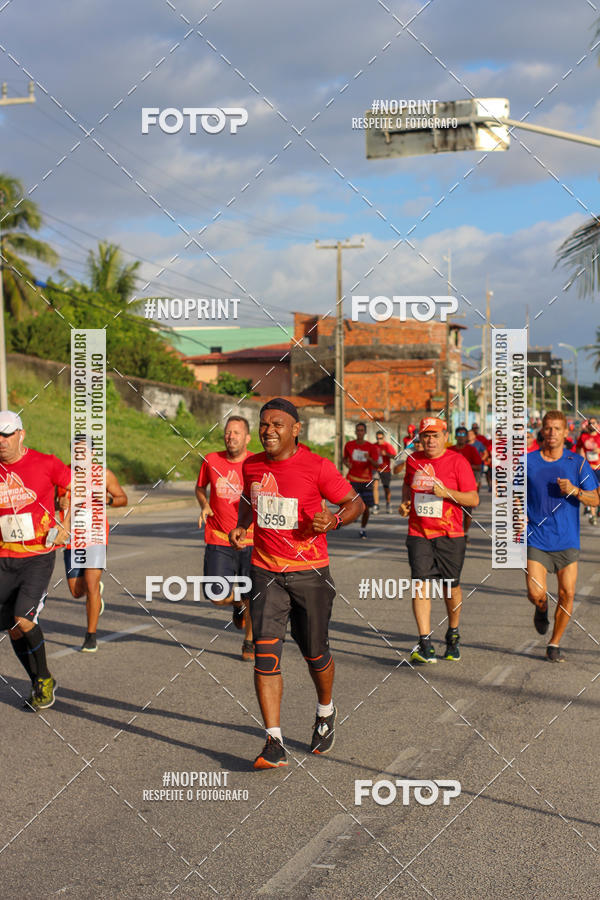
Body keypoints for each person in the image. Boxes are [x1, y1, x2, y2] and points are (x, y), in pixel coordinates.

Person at [229, 398, 364, 769]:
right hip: (265, 571)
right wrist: (244, 525)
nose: (268, 430)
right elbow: (248, 500)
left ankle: (325, 710)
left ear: (295, 429)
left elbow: (355, 504)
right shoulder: (253, 465)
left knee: (314, 652)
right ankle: (273, 740)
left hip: (310, 573)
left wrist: (334, 521)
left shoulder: (316, 466)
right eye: (264, 424)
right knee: (265, 654)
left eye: (277, 424)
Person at [0, 411, 71, 709]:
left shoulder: (46, 462)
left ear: (21, 434)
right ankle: (39, 679)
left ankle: (42, 676)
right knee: (11, 626)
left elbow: (73, 489)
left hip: (37, 556)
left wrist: (65, 524)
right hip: (4, 557)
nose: (1, 441)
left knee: (23, 617)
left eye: (7, 434)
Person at [399, 417, 479, 664]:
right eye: (425, 436)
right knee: (420, 584)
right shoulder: (413, 461)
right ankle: (425, 643)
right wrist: (404, 504)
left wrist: (448, 494)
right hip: (419, 533)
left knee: (450, 587)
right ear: (419, 438)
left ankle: (452, 634)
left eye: (435, 435)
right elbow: (406, 485)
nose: (430, 440)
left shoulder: (458, 461)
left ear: (446, 436)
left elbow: (473, 499)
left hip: (450, 535)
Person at [527, 410, 600, 662]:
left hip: (567, 540)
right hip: (536, 537)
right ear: (542, 430)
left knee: (567, 594)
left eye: (557, 429)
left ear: (566, 432)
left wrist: (576, 491)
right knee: (536, 593)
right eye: (548, 428)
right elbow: (511, 494)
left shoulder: (577, 463)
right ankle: (541, 607)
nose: (552, 433)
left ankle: (554, 643)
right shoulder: (528, 461)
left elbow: (596, 497)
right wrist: (517, 510)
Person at [57, 437, 128, 653]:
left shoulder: (103, 475)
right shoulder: (62, 475)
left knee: (91, 583)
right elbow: (47, 501)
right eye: (75, 452)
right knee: (76, 592)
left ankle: (90, 635)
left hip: (96, 536)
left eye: (83, 452)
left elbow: (122, 498)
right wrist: (57, 502)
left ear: (92, 453)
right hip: (72, 539)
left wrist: (107, 500)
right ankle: (95, 593)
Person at [196, 416, 255, 661]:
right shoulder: (211, 460)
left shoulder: (256, 463)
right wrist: (204, 504)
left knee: (253, 594)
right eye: (228, 432)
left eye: (236, 433)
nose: (231, 437)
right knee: (216, 594)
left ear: (247, 438)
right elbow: (200, 488)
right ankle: (236, 604)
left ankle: (249, 642)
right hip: (219, 537)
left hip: (251, 540)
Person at [343, 422, 381, 538]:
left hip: (366, 481)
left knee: (366, 508)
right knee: (352, 505)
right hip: (353, 479)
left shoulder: (371, 447)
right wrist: (347, 464)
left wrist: (369, 458)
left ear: (365, 432)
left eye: (361, 430)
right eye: (358, 430)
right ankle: (353, 516)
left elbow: (377, 464)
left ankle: (363, 528)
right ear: (355, 432)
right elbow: (345, 459)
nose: (359, 432)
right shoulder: (349, 445)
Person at [449, 426, 482, 540]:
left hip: (467, 485)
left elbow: (478, 466)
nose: (462, 437)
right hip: (452, 485)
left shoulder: (471, 450)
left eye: (464, 435)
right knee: (452, 510)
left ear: (467, 437)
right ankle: (454, 532)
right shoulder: (450, 450)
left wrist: (464, 465)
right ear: (455, 436)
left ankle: (465, 532)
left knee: (467, 512)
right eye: (460, 434)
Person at [576, 418, 600, 525]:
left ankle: (597, 508)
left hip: (599, 467)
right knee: (591, 490)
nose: (591, 425)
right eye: (590, 423)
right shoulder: (583, 437)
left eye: (594, 423)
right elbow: (578, 450)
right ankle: (593, 515)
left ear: (597, 424)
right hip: (589, 468)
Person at [372, 430, 396, 514]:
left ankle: (388, 503)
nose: (379, 440)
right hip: (376, 469)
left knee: (386, 488)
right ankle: (376, 505)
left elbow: (395, 456)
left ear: (384, 438)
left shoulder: (388, 446)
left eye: (381, 438)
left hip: (386, 469)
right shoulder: (373, 446)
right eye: (377, 438)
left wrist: (387, 454)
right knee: (375, 486)